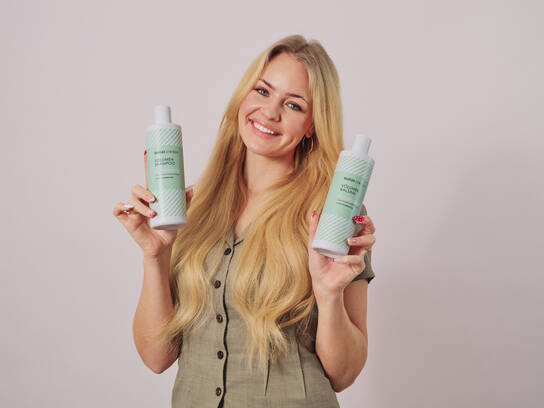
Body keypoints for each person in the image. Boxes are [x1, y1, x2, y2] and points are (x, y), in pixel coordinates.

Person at [113, 34, 377, 408]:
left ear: (312, 125)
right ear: (243, 96)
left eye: (294, 104)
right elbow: (157, 358)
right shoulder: (187, 206)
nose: (270, 112)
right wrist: (155, 256)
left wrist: (329, 294)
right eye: (263, 91)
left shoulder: (333, 214)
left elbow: (344, 374)